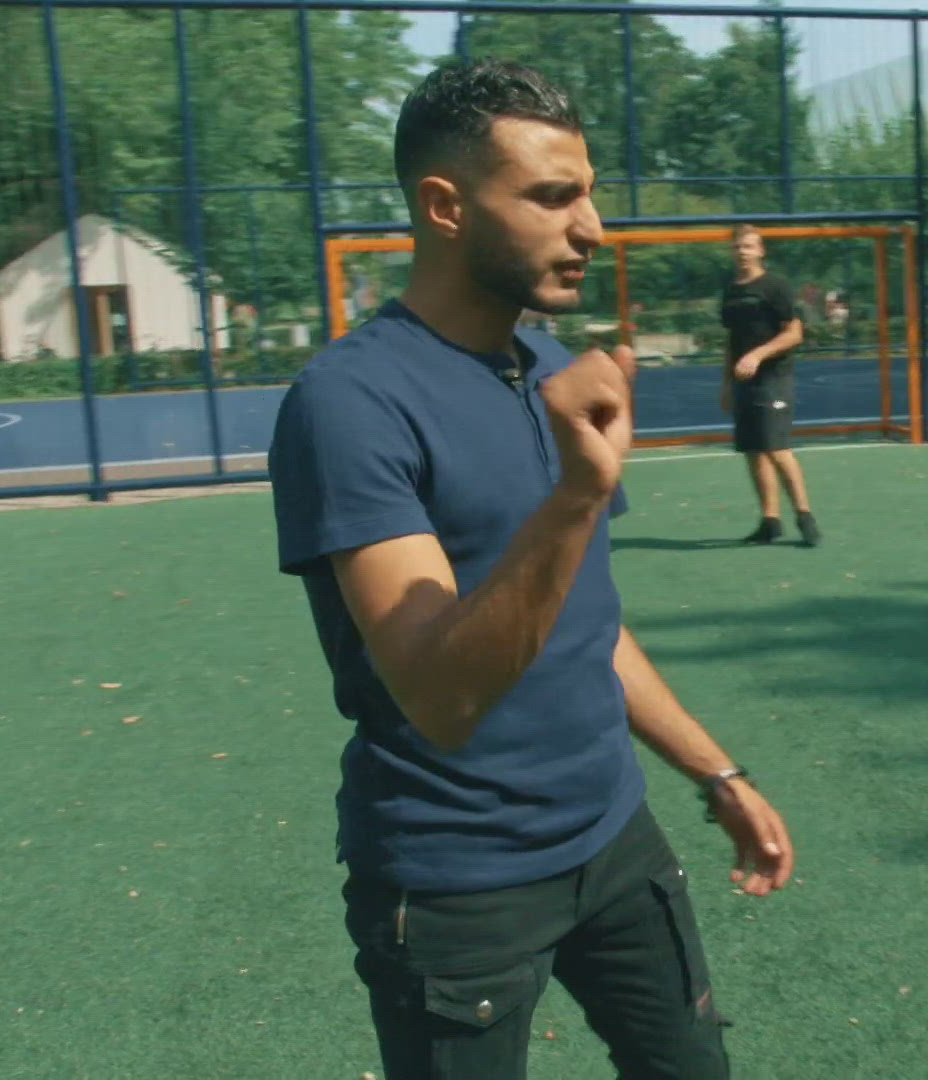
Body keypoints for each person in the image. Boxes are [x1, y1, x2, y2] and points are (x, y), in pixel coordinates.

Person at [267, 58, 794, 1079]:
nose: (592, 226)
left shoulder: (553, 371)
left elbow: (586, 623)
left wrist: (713, 769)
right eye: (553, 196)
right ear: (444, 205)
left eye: (587, 192)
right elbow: (441, 695)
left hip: (613, 836)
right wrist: (574, 498)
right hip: (456, 879)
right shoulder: (350, 403)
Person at [718, 224, 821, 546]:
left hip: (774, 379)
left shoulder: (775, 286)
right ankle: (770, 521)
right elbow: (731, 341)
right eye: (737, 247)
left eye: (749, 246)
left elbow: (794, 333)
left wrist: (758, 356)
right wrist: (725, 384)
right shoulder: (731, 290)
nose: (742, 252)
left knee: (776, 448)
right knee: (753, 450)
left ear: (760, 250)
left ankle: (805, 517)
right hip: (743, 382)